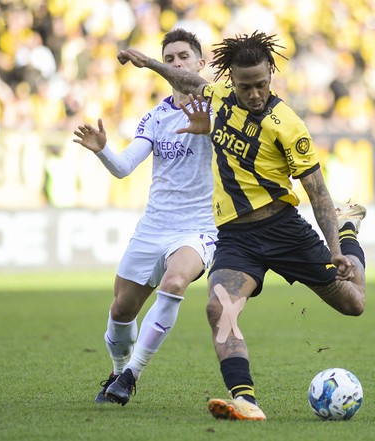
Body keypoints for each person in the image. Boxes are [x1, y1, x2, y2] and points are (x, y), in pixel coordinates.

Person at [118, 31, 367, 420]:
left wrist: (336, 247)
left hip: (284, 230)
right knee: (220, 309)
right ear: (230, 79)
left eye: (261, 85)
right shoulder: (218, 99)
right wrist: (149, 63)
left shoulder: (289, 125)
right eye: (245, 86)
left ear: (271, 73)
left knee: (354, 304)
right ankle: (244, 399)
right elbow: (187, 81)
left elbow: (317, 193)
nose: (254, 94)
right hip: (236, 237)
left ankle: (350, 229)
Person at [73, 29, 217, 406]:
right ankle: (118, 369)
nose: (176, 64)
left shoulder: (217, 108)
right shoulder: (154, 117)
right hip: (154, 226)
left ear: (201, 63)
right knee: (121, 310)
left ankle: (131, 375)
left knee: (174, 282)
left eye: (183, 56)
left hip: (198, 227)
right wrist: (103, 151)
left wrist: (211, 129)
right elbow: (123, 168)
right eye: (168, 59)